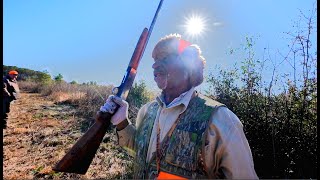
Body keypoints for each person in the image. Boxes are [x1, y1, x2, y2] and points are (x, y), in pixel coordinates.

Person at [99, 34, 258, 179]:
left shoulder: (221, 119)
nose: (155, 66)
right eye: (155, 61)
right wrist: (121, 122)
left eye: (165, 58)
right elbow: (140, 150)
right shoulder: (146, 111)